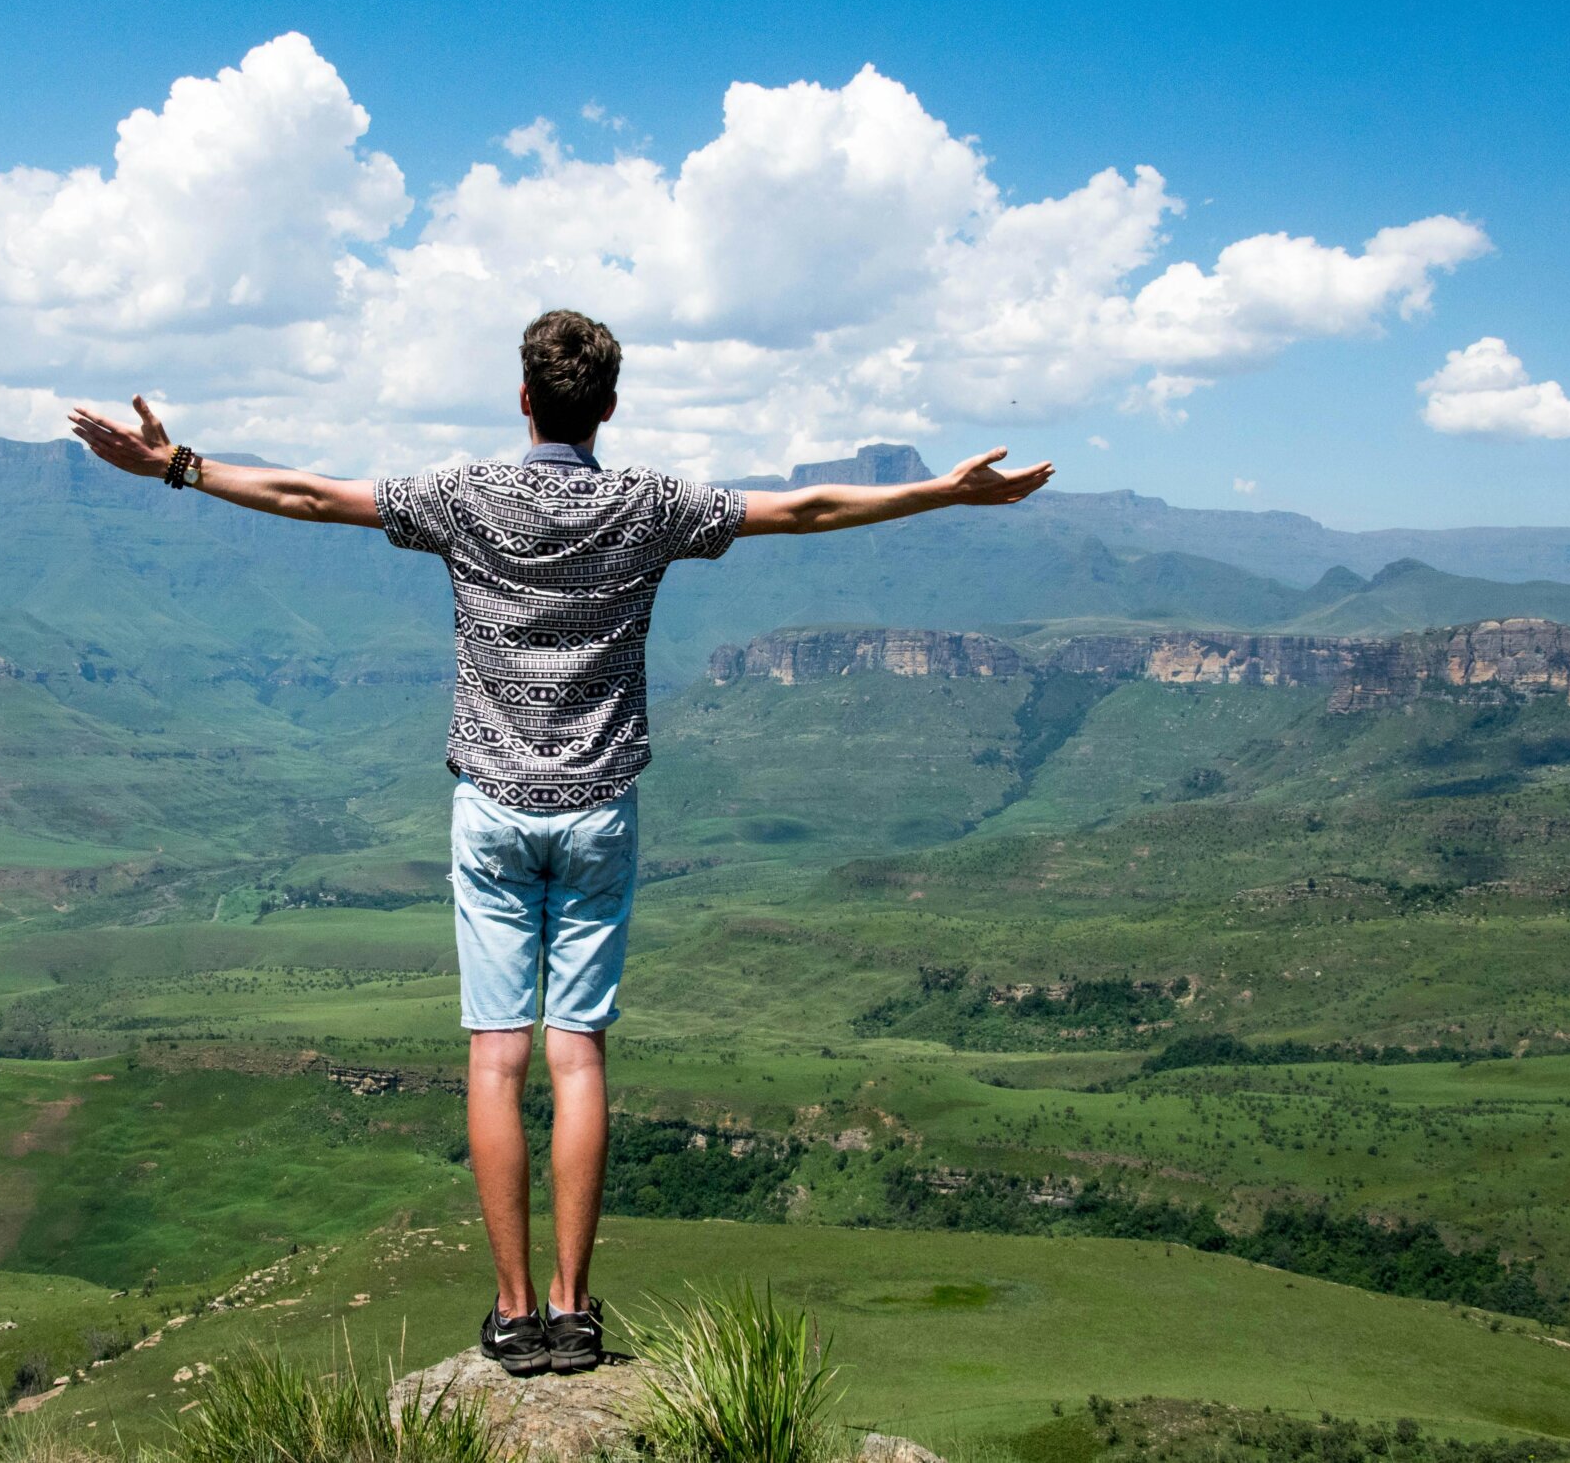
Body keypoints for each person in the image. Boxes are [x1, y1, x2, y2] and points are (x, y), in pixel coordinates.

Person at [67, 309, 1054, 1377]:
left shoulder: (465, 496)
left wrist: (177, 465)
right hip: (598, 811)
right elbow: (807, 507)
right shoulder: (650, 505)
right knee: (575, 1051)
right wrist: (947, 492)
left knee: (496, 1056)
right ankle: (575, 1312)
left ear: (524, 398)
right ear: (610, 408)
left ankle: (510, 1311)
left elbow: (310, 496)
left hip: (490, 808)